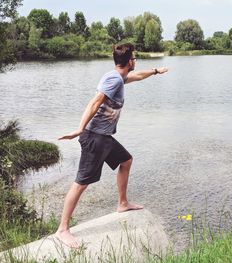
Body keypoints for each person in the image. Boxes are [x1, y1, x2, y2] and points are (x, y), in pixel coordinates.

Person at [55, 43, 168, 248]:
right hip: (94, 137)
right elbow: (94, 102)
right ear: (128, 61)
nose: (136, 61)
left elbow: (137, 77)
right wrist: (79, 129)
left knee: (126, 160)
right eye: (134, 58)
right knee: (81, 182)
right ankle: (63, 229)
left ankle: (122, 203)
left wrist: (155, 71)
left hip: (104, 136)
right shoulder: (114, 79)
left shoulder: (119, 76)